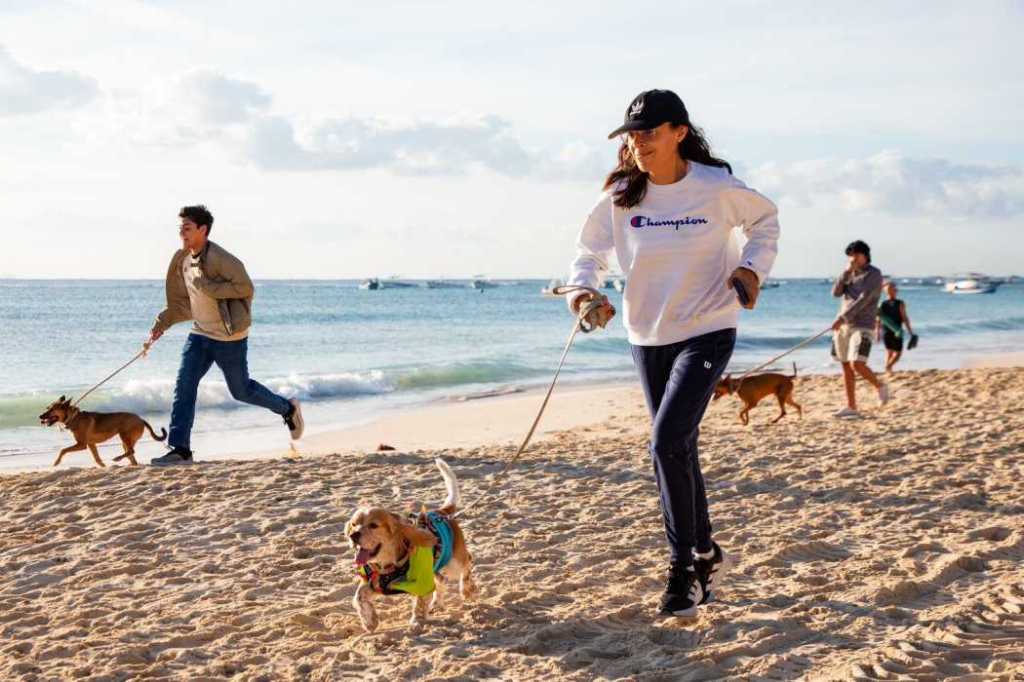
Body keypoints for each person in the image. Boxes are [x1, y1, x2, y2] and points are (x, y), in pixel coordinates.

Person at [566, 89, 779, 618]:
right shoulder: (621, 193)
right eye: (632, 134)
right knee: (679, 447)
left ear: (679, 132)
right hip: (647, 336)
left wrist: (751, 269)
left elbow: (766, 223)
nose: (638, 142)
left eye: (649, 132)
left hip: (708, 328)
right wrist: (583, 292)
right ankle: (706, 551)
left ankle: (684, 569)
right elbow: (588, 253)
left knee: (664, 442)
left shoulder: (714, 188)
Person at [147, 205, 304, 465]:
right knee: (184, 386)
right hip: (199, 334)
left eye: (187, 228)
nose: (182, 233)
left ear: (203, 230)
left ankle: (287, 408)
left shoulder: (221, 258)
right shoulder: (181, 259)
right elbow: (182, 303)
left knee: (241, 391)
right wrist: (161, 324)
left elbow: (245, 287)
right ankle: (180, 449)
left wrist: (207, 286)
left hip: (229, 337)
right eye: (180, 229)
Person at [830, 240, 890, 417]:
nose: (853, 258)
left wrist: (842, 318)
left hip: (863, 325)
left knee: (857, 363)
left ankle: (880, 386)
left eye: (857, 254)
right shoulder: (849, 273)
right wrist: (846, 272)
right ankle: (851, 406)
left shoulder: (874, 274)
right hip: (843, 326)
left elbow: (864, 299)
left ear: (865, 255)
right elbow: (835, 293)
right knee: (845, 366)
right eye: (850, 255)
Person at [876, 281, 914, 373]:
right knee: (898, 353)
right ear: (895, 291)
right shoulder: (899, 303)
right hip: (896, 330)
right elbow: (904, 317)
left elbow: (878, 319)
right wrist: (910, 331)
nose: (893, 291)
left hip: (886, 331)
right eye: (892, 289)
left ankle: (888, 369)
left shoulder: (882, 303)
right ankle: (888, 366)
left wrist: (877, 332)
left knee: (889, 352)